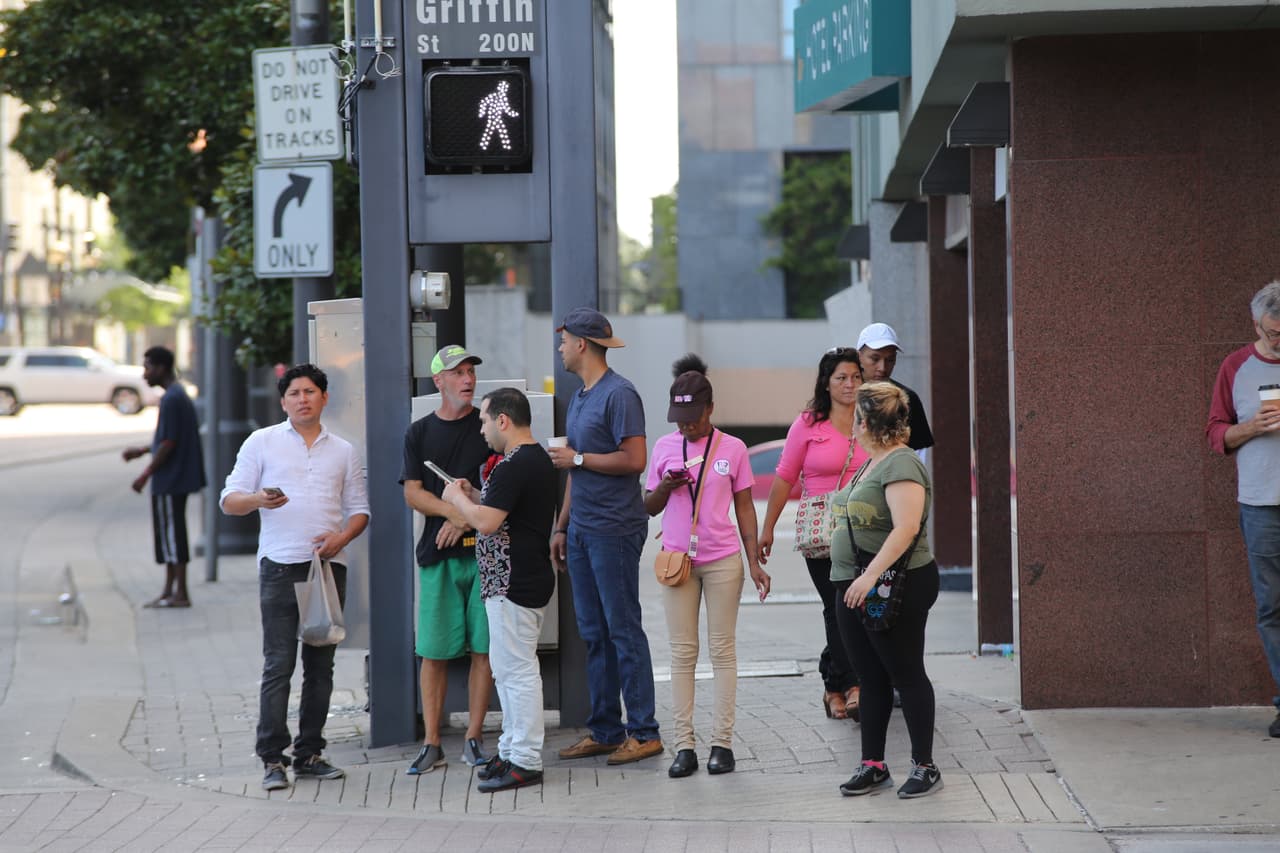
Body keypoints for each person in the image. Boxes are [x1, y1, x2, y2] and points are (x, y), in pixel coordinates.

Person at [220, 363, 370, 792]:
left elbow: (360, 509)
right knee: (278, 664)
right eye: (294, 393)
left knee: (321, 667)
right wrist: (258, 499)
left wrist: (341, 538)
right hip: (279, 566)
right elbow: (229, 501)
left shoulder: (343, 450)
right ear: (283, 401)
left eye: (310, 392)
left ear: (324, 398)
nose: (302, 399)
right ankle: (272, 758)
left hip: (327, 568)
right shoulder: (261, 442)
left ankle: (310, 753)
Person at [644, 355, 771, 778]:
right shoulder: (664, 447)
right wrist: (666, 486)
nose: (686, 427)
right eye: (679, 420)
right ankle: (684, 746)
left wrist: (754, 562)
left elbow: (745, 508)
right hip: (677, 561)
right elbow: (648, 506)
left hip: (722, 561)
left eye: (693, 419)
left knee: (722, 650)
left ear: (710, 409)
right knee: (682, 653)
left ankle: (722, 744)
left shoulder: (732, 449)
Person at [548, 307, 663, 765]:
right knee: (594, 634)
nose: (559, 348)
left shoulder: (620, 394)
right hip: (582, 530)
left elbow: (635, 459)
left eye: (564, 341)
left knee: (623, 630)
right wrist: (562, 525)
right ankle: (606, 730)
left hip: (614, 530)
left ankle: (645, 731)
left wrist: (578, 459)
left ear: (582, 344)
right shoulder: (580, 396)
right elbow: (574, 470)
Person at [442, 387, 557, 791]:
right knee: (507, 670)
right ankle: (510, 750)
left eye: (484, 420)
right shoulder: (530, 460)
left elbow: (487, 522)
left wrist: (457, 500)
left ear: (503, 420)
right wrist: (474, 495)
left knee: (516, 672)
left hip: (513, 582)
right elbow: (504, 510)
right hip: (514, 581)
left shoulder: (515, 464)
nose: (482, 429)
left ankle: (524, 759)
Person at [831, 381, 941, 799]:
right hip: (855, 584)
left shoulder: (902, 463)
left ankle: (925, 766)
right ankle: (873, 765)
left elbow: (906, 527)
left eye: (855, 414)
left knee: (906, 674)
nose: (851, 421)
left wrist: (869, 576)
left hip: (896, 584)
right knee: (870, 677)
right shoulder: (872, 462)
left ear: (865, 422)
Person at [399, 345, 495, 774]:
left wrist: (467, 516)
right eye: (458, 372)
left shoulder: (489, 425)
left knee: (484, 650)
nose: (467, 379)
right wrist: (455, 514)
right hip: (437, 556)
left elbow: (499, 483)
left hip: (485, 555)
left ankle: (474, 737)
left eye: (471, 371)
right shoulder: (418, 432)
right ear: (438, 381)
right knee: (433, 651)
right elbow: (413, 492)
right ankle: (432, 742)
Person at [758, 347, 867, 722]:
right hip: (822, 530)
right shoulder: (808, 424)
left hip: (865, 528)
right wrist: (768, 528)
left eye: (856, 377)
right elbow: (784, 478)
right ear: (826, 382)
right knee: (838, 606)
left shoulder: (870, 418)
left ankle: (833, 685)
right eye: (841, 377)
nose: (850, 384)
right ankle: (852, 687)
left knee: (855, 607)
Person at [1206, 281, 1280, 739]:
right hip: (1260, 504)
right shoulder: (1236, 367)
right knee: (1272, 606)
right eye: (1274, 333)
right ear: (1256, 325)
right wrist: (1252, 426)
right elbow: (1216, 433)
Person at [123, 346, 205, 609]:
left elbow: (169, 443)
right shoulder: (176, 394)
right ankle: (170, 591)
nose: (144, 374)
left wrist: (144, 475)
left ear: (161, 368)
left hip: (171, 479)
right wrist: (142, 450)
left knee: (172, 536)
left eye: (147, 367)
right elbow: (168, 439)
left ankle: (179, 593)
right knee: (171, 534)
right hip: (175, 478)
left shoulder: (171, 399)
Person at [855, 323, 935, 452]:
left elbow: (917, 454)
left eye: (890, 360)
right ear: (859, 356)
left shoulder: (907, 398)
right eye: (875, 359)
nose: (882, 367)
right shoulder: (844, 395)